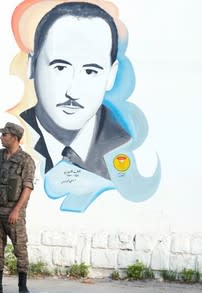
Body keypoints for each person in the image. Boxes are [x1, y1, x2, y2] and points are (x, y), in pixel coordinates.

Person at [20, 1, 130, 178]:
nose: (73, 92)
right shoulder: (13, 134)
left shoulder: (127, 147)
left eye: (90, 71)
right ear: (31, 65)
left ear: (111, 75)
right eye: (60, 68)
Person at [0, 122, 35, 293]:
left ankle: (23, 286)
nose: (1, 137)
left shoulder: (26, 160)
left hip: (13, 213)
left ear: (15, 138)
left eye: (5, 134)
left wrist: (16, 210)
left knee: (20, 249)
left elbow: (27, 187)